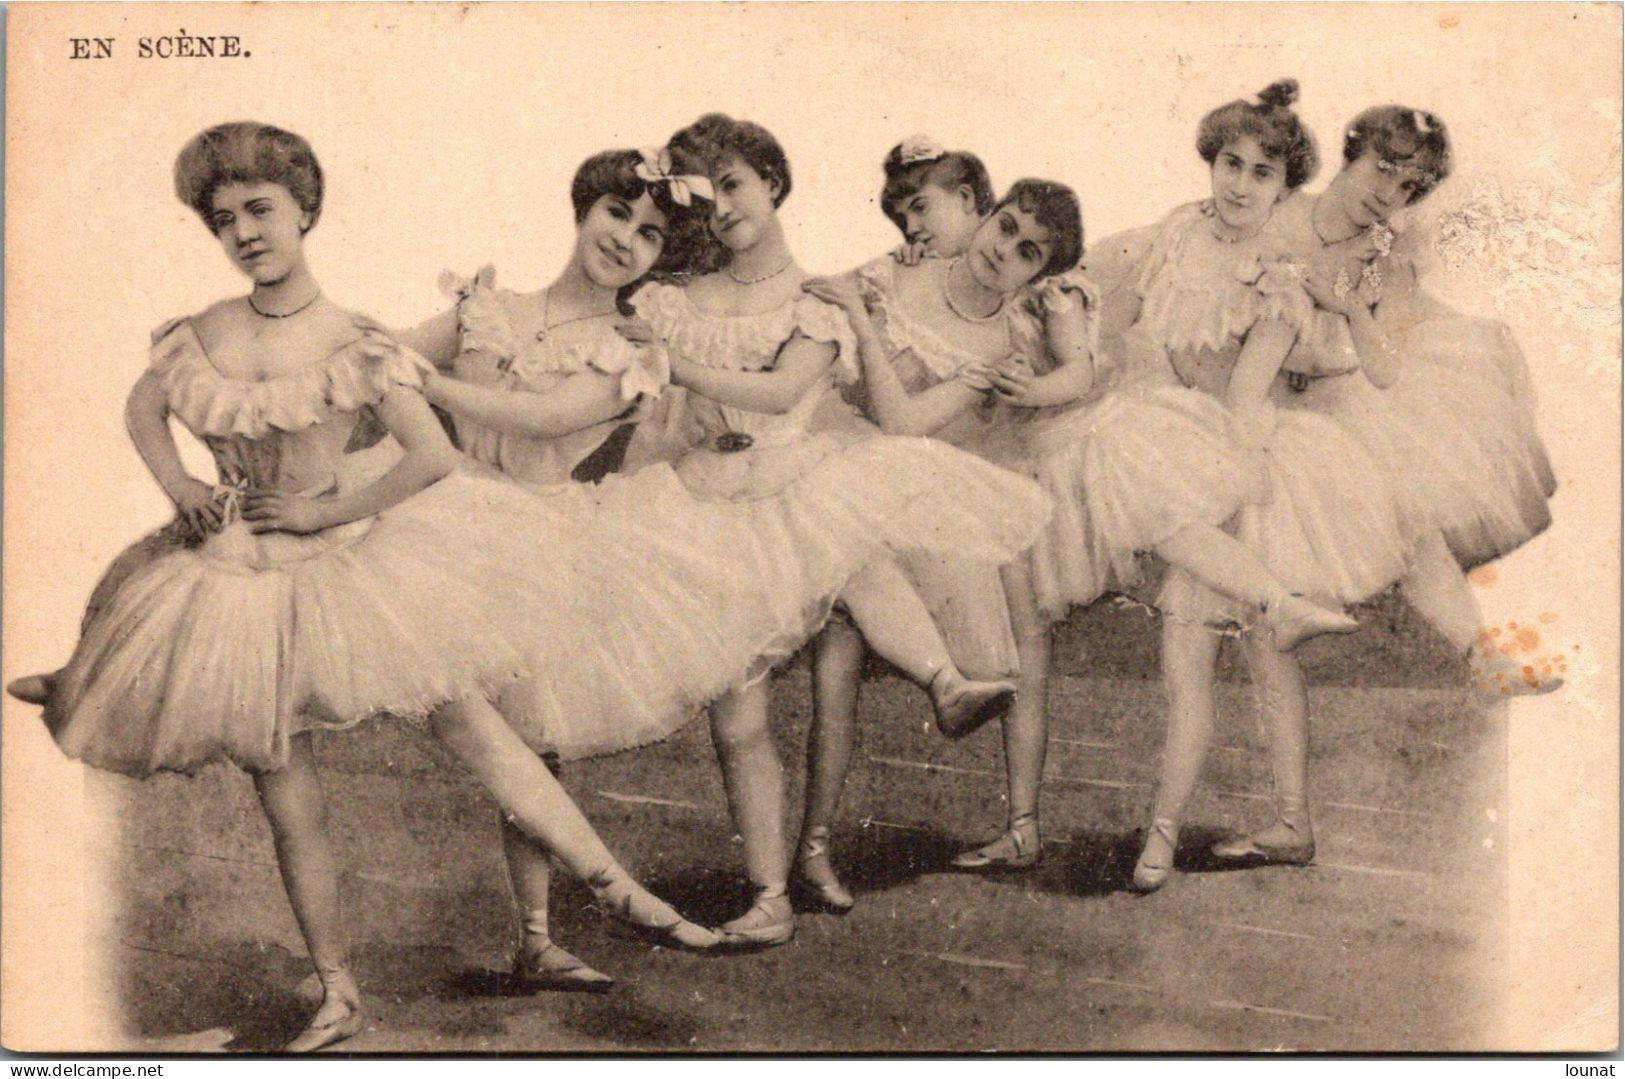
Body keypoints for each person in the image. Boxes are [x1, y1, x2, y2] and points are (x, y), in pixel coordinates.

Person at [14, 122, 730, 1050]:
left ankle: (615, 892)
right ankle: (337, 986)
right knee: (283, 778)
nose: (245, 232)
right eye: (224, 219)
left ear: (304, 210)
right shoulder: (209, 331)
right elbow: (144, 408)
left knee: (477, 721)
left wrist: (327, 497)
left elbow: (439, 448)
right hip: (244, 567)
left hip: (386, 548)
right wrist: (182, 485)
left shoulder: (369, 338)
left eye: (260, 209)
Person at [619, 113, 1053, 945]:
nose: (721, 209)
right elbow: (652, 409)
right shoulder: (668, 302)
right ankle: (771, 894)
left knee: (848, 558)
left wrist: (674, 364)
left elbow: (784, 392)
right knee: (737, 719)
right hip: (706, 503)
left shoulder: (815, 300)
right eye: (703, 199)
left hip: (791, 489)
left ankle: (939, 684)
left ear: (773, 183)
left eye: (734, 185)